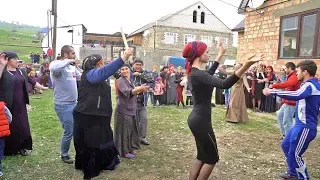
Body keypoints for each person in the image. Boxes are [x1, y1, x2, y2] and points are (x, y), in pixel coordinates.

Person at [183, 40, 263, 180]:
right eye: (206, 52)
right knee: (212, 158)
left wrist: (220, 55)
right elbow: (225, 84)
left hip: (197, 120)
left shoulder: (195, 73)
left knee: (202, 155)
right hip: (201, 122)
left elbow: (210, 72)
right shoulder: (198, 74)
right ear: (198, 54)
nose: (208, 54)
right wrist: (246, 65)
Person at [73, 51, 132, 179]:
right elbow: (103, 72)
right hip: (88, 116)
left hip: (99, 116)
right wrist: (123, 58)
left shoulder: (97, 75)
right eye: (102, 62)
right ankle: (91, 167)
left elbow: (109, 73)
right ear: (98, 62)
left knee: (102, 139)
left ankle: (105, 163)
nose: (103, 63)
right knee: (91, 143)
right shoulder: (90, 75)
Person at [263, 60, 319, 180]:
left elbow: (296, 95)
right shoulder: (309, 84)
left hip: (305, 127)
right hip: (299, 125)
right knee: (286, 145)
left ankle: (304, 178)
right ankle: (292, 173)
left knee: (295, 155)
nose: (296, 73)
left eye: (298, 71)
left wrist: (272, 91)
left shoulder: (311, 85)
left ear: (305, 72)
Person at [0, 52, 48, 156]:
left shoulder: (21, 71)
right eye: (15, 59)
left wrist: (43, 87)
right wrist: (2, 65)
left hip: (20, 104)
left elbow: (32, 81)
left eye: (18, 58)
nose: (17, 61)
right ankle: (8, 149)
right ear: (7, 60)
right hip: (8, 104)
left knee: (22, 126)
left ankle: (22, 147)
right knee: (10, 126)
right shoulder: (3, 72)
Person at [49, 45, 81, 164]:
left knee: (75, 129)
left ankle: (77, 150)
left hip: (74, 103)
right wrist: (69, 61)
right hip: (63, 105)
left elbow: (81, 77)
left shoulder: (71, 68)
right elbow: (53, 68)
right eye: (73, 53)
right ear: (66, 55)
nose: (75, 56)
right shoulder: (57, 65)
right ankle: (64, 154)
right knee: (69, 131)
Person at [114, 64, 149, 159]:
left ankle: (129, 148)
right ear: (120, 71)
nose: (124, 71)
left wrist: (141, 90)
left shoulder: (129, 80)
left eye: (126, 69)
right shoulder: (120, 81)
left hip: (130, 108)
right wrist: (139, 89)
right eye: (122, 69)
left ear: (129, 70)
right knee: (124, 131)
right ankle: (123, 151)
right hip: (123, 110)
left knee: (130, 130)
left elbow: (133, 91)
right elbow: (128, 92)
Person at [269, 62, 300, 140]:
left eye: (286, 68)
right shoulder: (291, 76)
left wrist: (274, 85)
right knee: (279, 115)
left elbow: (288, 84)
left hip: (291, 102)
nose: (285, 70)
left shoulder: (294, 76)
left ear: (290, 68)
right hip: (287, 101)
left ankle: (288, 139)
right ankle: (284, 135)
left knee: (287, 122)